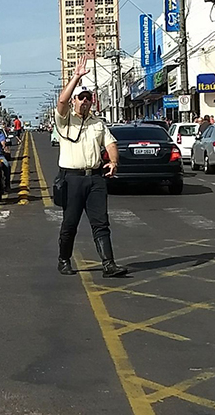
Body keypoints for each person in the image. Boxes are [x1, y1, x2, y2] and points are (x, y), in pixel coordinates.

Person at [54, 55, 127, 278]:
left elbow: (111, 143)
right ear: (75, 101)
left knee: (101, 223)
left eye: (88, 98)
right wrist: (76, 77)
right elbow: (61, 102)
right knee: (70, 223)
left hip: (95, 177)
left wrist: (113, 162)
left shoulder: (98, 123)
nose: (84, 101)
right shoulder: (65, 119)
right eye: (80, 98)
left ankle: (109, 264)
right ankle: (64, 259)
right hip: (71, 179)